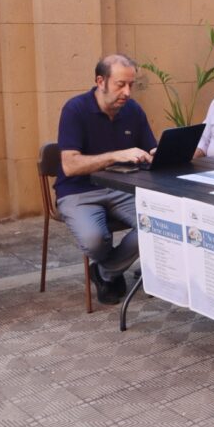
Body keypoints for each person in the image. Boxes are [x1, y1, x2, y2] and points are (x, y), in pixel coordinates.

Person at [56, 54, 156, 304]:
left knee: (158, 224)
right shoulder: (75, 109)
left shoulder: (133, 110)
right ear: (100, 81)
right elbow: (70, 165)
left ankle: (106, 272)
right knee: (95, 239)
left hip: (123, 188)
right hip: (79, 191)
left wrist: (158, 155)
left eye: (131, 85)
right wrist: (117, 155)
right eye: (120, 84)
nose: (127, 92)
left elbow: (150, 148)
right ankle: (113, 269)